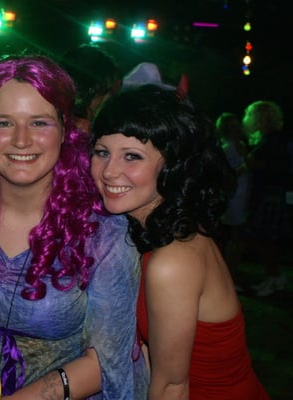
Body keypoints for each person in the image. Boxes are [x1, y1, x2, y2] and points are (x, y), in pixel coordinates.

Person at [0, 54, 148, 400]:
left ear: (65, 129)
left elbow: (108, 361)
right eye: (3, 123)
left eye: (39, 123)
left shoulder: (101, 231)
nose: (21, 140)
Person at [90, 84, 270, 399]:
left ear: (172, 165)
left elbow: (172, 388)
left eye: (132, 156)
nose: (109, 171)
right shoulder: (171, 230)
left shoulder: (173, 259)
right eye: (102, 152)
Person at [242, 100, 289, 297]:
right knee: (262, 238)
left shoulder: (273, 140)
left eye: (250, 115)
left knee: (262, 238)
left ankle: (275, 277)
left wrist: (251, 161)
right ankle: (274, 277)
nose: (247, 119)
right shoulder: (270, 139)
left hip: (270, 196)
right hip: (268, 195)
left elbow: (276, 167)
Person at [215, 112, 250, 289]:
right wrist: (245, 166)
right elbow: (225, 176)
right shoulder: (227, 148)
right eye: (235, 124)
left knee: (237, 237)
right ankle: (228, 278)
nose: (239, 126)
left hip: (244, 195)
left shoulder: (240, 144)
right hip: (234, 197)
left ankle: (229, 275)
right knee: (236, 237)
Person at [59, 43, 121, 132]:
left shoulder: (49, 112)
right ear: (96, 87)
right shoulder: (82, 127)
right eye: (110, 91)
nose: (109, 99)